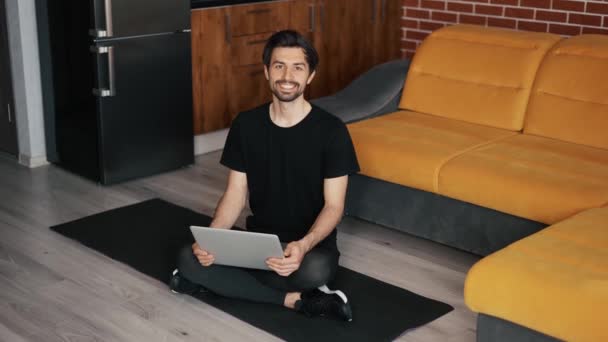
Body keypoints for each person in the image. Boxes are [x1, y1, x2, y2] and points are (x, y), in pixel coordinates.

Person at [170, 30, 359, 321]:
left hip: (309, 247)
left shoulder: (332, 131)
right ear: (267, 72)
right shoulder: (246, 125)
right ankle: (296, 301)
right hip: (259, 241)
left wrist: (304, 245)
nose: (287, 75)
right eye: (279, 65)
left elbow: (334, 206)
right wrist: (214, 238)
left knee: (314, 270)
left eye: (298, 67)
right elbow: (235, 194)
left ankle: (216, 283)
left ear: (310, 76)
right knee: (190, 256)